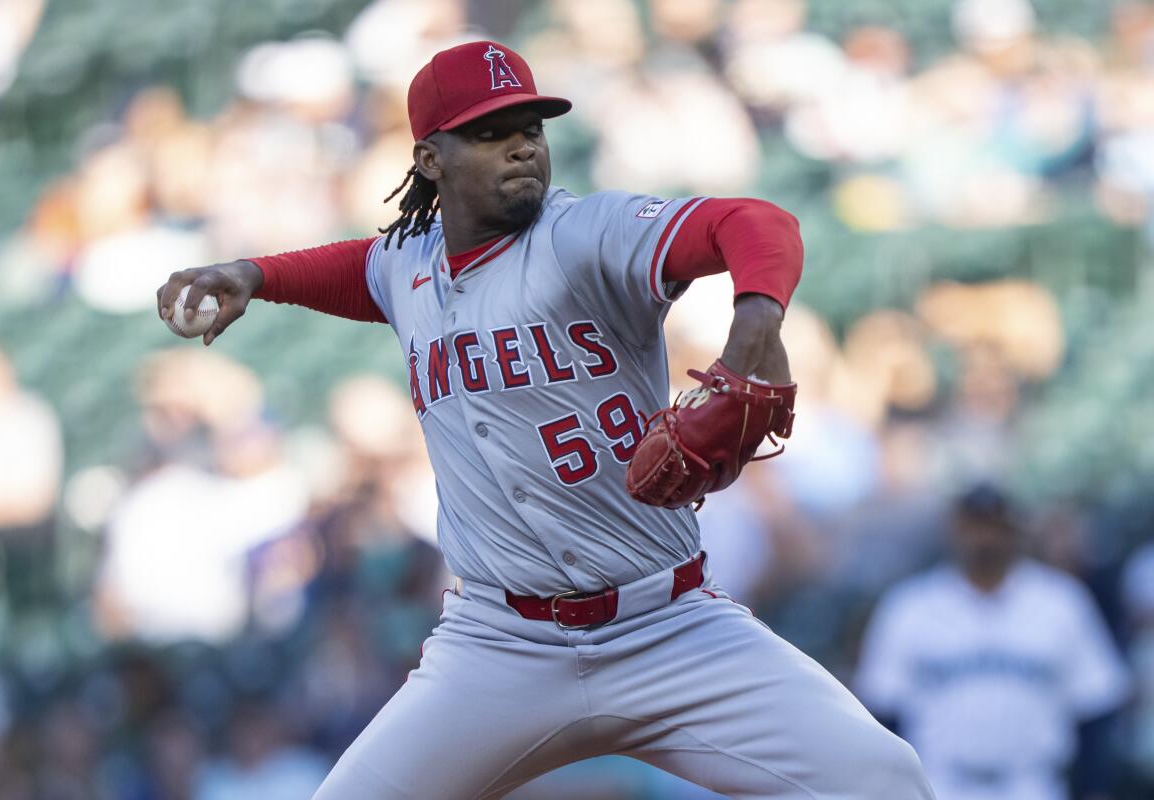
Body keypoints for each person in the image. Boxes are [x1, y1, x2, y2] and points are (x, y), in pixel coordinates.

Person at [158, 40, 933, 800]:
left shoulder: (585, 235)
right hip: (500, 647)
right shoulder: (408, 262)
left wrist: (755, 326)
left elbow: (759, 223)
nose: (522, 148)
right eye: (490, 133)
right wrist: (253, 275)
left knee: (884, 780)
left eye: (531, 128)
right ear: (430, 159)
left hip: (668, 629)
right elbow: (358, 268)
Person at [855, 483, 1131, 800]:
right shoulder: (909, 606)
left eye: (994, 525)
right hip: (939, 784)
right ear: (953, 530)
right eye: (974, 525)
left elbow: (1095, 707)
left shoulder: (1062, 602)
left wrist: (1095, 789)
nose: (984, 538)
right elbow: (883, 714)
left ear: (1015, 531)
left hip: (1033, 785)